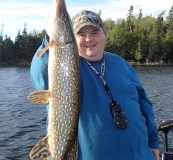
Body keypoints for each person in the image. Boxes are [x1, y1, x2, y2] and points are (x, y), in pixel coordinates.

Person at [30, 10, 159, 160]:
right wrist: (50, 36)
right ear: (72, 38)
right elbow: (39, 75)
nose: (88, 39)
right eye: (81, 34)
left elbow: (144, 104)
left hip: (140, 155)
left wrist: (153, 141)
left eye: (95, 32)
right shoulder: (65, 67)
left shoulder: (121, 63)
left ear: (104, 33)